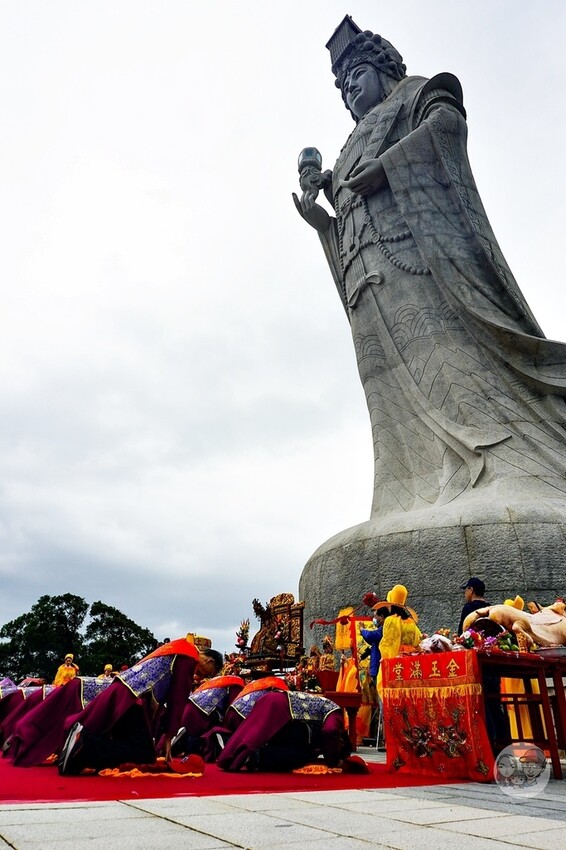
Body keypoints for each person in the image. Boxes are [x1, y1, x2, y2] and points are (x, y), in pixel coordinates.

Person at [294, 15, 566, 520]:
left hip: (421, 266)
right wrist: (321, 221)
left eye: (358, 75)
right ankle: (405, 493)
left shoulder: (413, 94)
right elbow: (346, 216)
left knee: (448, 364)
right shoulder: (348, 146)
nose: (351, 88)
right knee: (385, 389)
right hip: (369, 283)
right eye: (343, 86)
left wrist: (391, 165)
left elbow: (448, 123)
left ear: (384, 67)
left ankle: (499, 469)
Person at [56, 637, 222, 775]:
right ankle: (86, 744)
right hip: (134, 699)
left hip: (129, 694)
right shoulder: (188, 658)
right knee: (141, 753)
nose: (198, 677)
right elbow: (178, 698)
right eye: (205, 673)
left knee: (140, 751)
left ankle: (80, 753)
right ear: (210, 661)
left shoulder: (179, 649)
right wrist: (170, 735)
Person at [217, 690, 350, 772]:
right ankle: (245, 757)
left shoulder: (326, 704)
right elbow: (330, 731)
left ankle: (229, 753)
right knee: (254, 736)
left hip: (275, 700)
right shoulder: (336, 711)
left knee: (251, 733)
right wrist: (333, 761)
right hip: (281, 706)